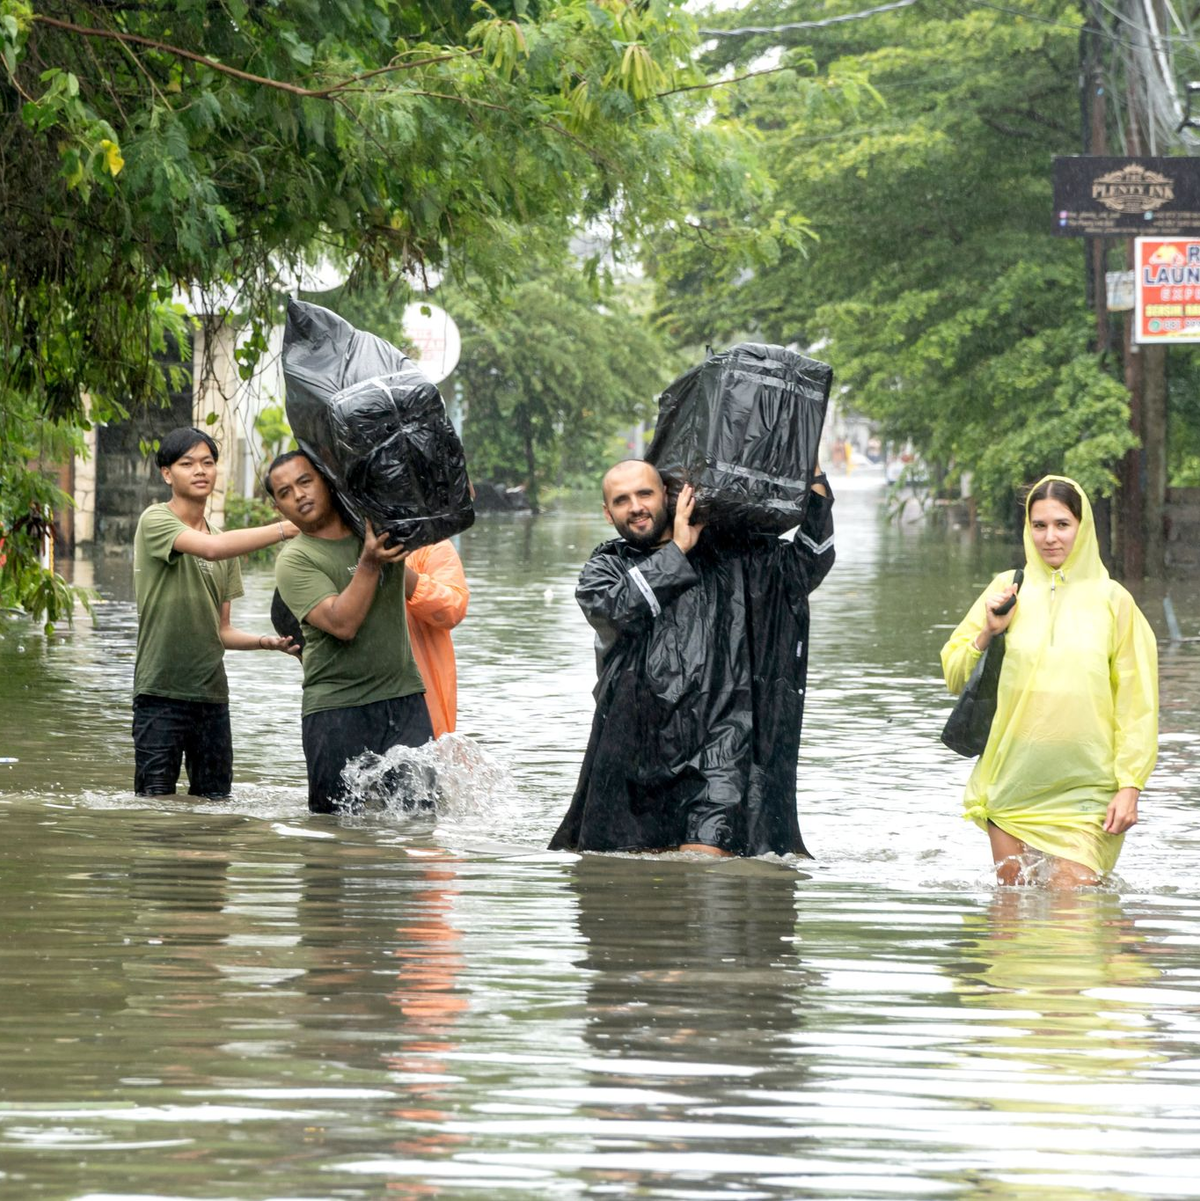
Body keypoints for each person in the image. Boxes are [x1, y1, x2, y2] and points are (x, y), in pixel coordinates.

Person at [549, 459, 834, 857]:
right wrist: (678, 550)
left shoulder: (732, 554)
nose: (635, 506)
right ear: (607, 512)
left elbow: (808, 563)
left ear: (667, 495)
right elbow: (617, 609)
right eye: (621, 500)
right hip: (637, 751)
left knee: (705, 870)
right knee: (633, 881)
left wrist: (814, 478)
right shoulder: (605, 568)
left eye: (644, 493)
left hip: (722, 744)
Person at [941, 475, 1158, 887]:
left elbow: (1138, 703)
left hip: (1087, 795)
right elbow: (954, 674)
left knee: (1070, 924)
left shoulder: (1115, 602)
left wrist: (1131, 785)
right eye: (1039, 525)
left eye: (1062, 524)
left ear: (1083, 527)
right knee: (1008, 929)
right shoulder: (1007, 589)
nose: (1050, 538)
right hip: (1011, 786)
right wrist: (988, 631)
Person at [133, 427, 300, 799]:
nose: (200, 470)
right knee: (153, 805)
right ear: (166, 473)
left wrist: (265, 642)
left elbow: (221, 631)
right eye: (187, 463)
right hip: (160, 691)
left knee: (215, 805)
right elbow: (211, 549)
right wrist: (290, 526)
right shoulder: (155, 521)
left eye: (208, 462)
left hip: (211, 696)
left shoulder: (225, 543)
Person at [265, 450, 431, 813]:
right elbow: (343, 624)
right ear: (279, 509)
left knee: (418, 823)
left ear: (326, 480)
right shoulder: (294, 560)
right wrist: (369, 561)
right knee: (333, 836)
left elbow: (432, 506)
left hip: (404, 700)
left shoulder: (376, 526)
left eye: (305, 481)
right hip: (337, 711)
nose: (299, 495)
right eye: (285, 492)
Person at [404, 542, 469, 739]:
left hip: (424, 709)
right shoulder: (322, 543)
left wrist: (394, 567)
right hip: (348, 706)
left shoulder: (429, 545)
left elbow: (452, 609)